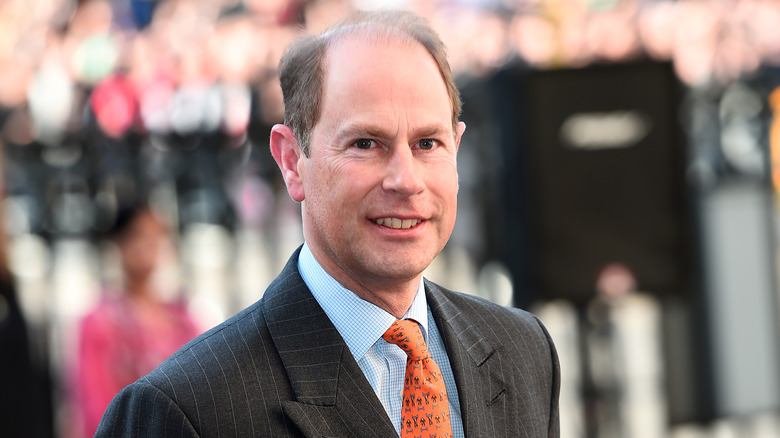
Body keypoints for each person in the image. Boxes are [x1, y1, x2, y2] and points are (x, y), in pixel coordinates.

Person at [97, 9, 560, 437]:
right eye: (365, 143)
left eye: (427, 143)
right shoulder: (184, 410)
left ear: (457, 149)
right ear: (292, 161)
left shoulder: (524, 351)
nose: (406, 180)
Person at [74, 204, 201, 437]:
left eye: (156, 236)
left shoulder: (182, 319)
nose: (148, 245)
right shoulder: (100, 321)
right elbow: (96, 404)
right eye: (138, 235)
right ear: (119, 243)